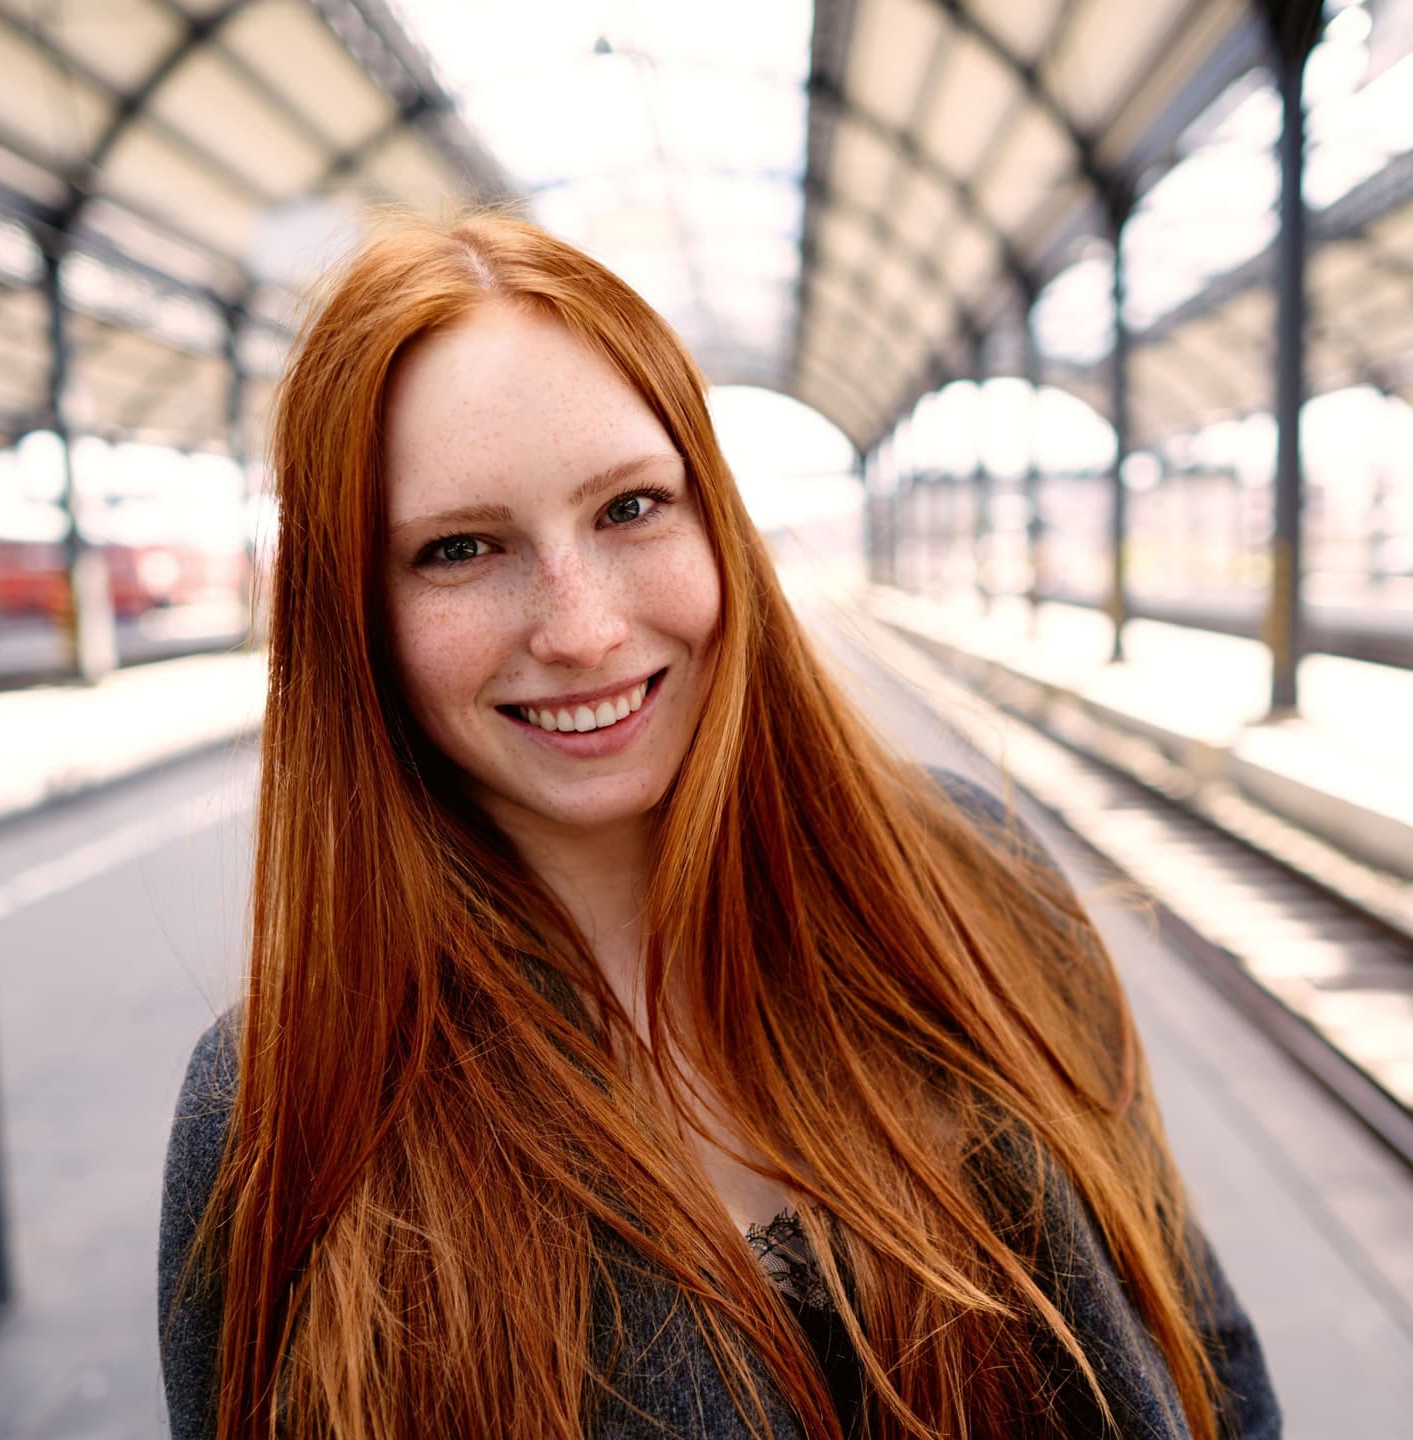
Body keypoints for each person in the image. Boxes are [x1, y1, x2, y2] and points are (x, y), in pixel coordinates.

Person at [157, 215, 1279, 1440]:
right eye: (460, 548)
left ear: (717, 523)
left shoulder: (969, 878)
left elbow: (1201, 1344)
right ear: (354, 616)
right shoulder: (280, 1102)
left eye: (631, 508)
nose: (580, 629)